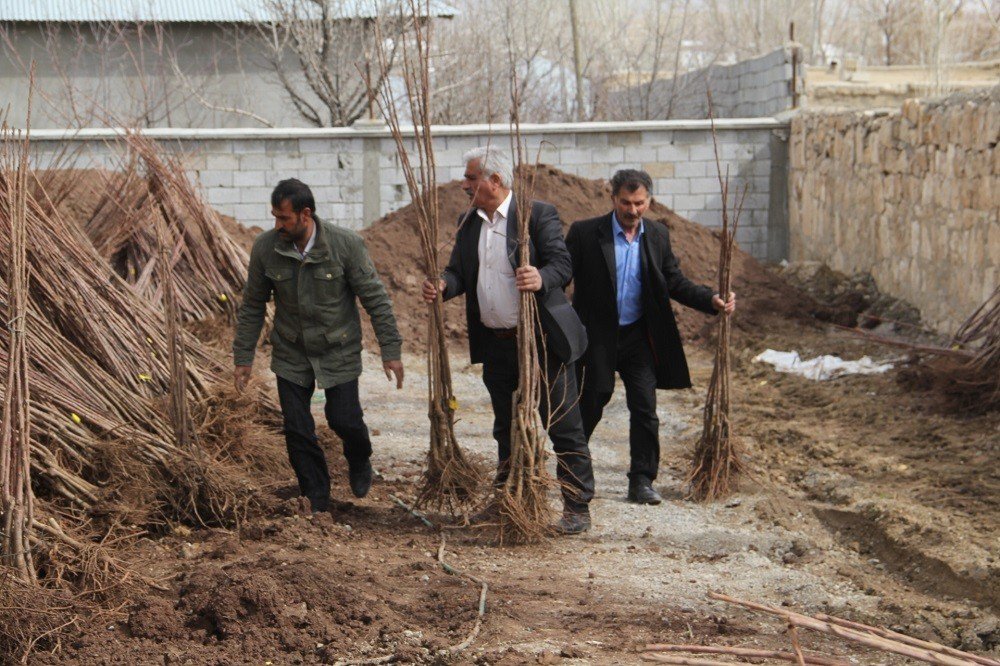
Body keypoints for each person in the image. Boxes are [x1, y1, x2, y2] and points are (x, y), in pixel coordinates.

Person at [421, 147, 595, 535]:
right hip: (498, 343)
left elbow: (562, 264)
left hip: (540, 341)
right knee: (506, 426)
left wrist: (541, 278)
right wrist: (444, 285)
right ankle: (509, 498)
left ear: (494, 181)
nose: (464, 185)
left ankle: (576, 507)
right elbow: (458, 271)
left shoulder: (536, 214)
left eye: (471, 178)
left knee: (563, 424)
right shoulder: (469, 222)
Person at [233, 178, 404, 514]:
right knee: (297, 429)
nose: (277, 225)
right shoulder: (266, 248)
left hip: (337, 349)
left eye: (284, 218)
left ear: (305, 214)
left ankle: (359, 457)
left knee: (344, 420)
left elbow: (376, 299)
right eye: (274, 217)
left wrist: (391, 350)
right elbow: (252, 305)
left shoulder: (346, 245)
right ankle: (318, 499)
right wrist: (243, 357)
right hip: (291, 352)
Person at [566, 169, 736, 505]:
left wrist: (710, 300)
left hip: (639, 337)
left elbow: (673, 280)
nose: (632, 210)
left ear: (649, 201)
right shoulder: (585, 234)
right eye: (626, 203)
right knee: (591, 404)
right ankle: (573, 474)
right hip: (596, 337)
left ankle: (641, 480)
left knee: (645, 409)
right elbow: (562, 273)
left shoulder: (657, 235)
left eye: (639, 203)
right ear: (613, 198)